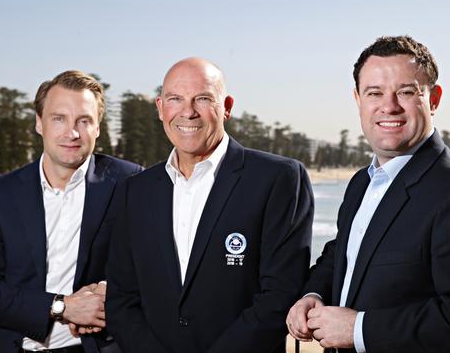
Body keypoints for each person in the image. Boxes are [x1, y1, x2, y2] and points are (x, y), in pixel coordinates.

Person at [286, 35, 450, 353]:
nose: (389, 106)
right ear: (358, 99)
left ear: (433, 99)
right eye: (374, 93)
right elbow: (343, 253)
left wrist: (358, 329)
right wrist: (313, 295)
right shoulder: (361, 184)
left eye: (406, 92)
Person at [105, 57, 314, 353]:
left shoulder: (278, 178)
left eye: (202, 98)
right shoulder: (136, 190)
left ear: (226, 107)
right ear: (160, 108)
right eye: (175, 99)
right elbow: (121, 298)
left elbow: (280, 294)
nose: (188, 112)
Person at [0, 70, 143, 353]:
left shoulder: (130, 183)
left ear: (97, 128)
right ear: (39, 123)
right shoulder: (0, 193)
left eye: (84, 121)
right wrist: (63, 307)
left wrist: (110, 293)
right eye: (59, 118)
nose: (71, 133)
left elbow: (154, 267)